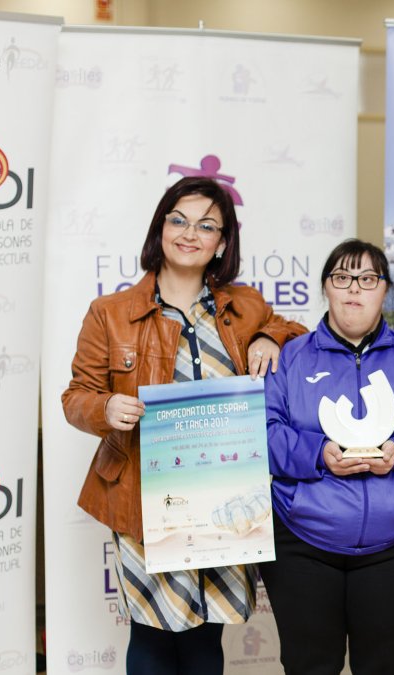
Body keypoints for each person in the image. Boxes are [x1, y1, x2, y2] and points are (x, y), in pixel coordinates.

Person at [61, 176, 307, 674]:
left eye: (207, 225)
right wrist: (106, 408)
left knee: (205, 637)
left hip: (224, 494)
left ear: (221, 243)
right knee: (151, 633)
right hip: (142, 497)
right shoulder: (110, 314)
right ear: (161, 228)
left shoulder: (244, 306)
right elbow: (75, 396)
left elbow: (296, 331)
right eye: (179, 220)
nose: (190, 233)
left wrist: (269, 338)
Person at [260, 239, 394, 674]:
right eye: (342, 278)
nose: (354, 289)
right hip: (302, 544)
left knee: (385, 667)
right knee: (310, 666)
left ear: (384, 290)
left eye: (368, 279)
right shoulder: (288, 358)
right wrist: (318, 454)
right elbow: (263, 433)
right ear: (326, 288)